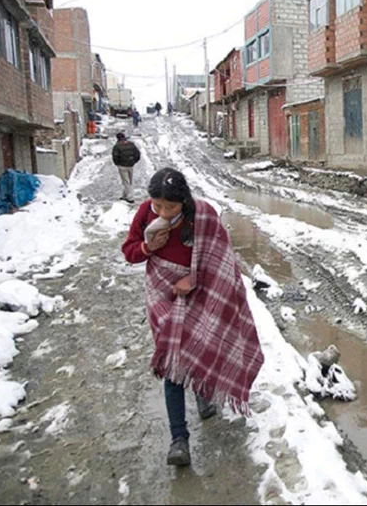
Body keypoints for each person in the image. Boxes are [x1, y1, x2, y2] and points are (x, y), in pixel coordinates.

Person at [120, 168, 263, 467]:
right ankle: (179, 440)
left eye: (170, 207)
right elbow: (130, 251)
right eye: (157, 205)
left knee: (200, 347)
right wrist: (149, 247)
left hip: (200, 295)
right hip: (163, 296)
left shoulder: (203, 216)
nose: (162, 211)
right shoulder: (146, 213)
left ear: (183, 200)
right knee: (172, 363)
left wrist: (193, 279)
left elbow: (221, 259)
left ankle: (202, 392)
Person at [112, 132, 141, 203]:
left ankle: (130, 197)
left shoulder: (117, 146)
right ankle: (124, 195)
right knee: (129, 181)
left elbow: (115, 157)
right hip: (130, 165)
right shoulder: (131, 144)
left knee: (126, 181)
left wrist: (117, 163)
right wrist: (134, 161)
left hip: (122, 166)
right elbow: (138, 154)